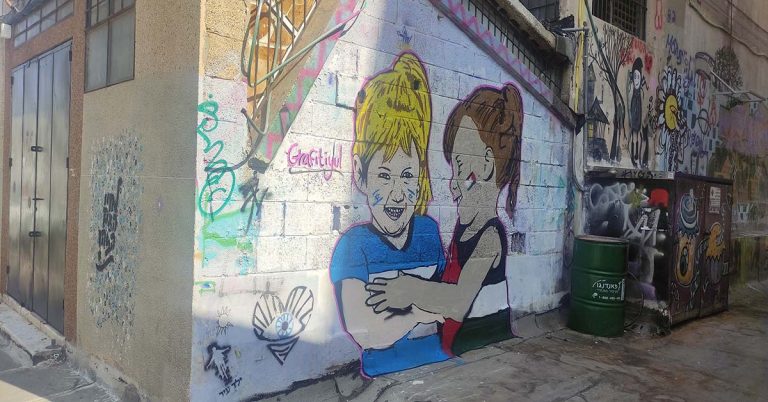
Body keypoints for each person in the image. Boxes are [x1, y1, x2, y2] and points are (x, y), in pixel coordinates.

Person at [365, 84, 523, 356]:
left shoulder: (490, 237)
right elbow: (450, 281)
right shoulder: (464, 228)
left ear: (485, 165)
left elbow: (459, 301)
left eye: (460, 165)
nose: (452, 184)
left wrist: (411, 289)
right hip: (458, 350)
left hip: (483, 355)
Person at [329, 52, 450, 377]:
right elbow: (365, 328)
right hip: (383, 377)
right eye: (384, 175)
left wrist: (418, 300)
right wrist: (420, 312)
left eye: (408, 175)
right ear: (360, 173)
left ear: (421, 174)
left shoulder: (427, 233)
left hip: (441, 366)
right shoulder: (354, 247)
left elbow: (450, 299)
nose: (398, 192)